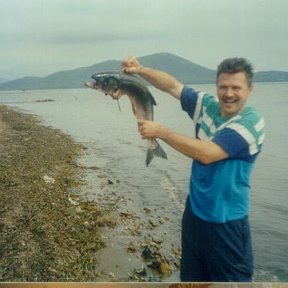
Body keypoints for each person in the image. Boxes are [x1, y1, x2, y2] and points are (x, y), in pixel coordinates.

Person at [120, 56, 265, 282]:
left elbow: (207, 153)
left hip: (227, 225)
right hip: (195, 216)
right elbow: (172, 86)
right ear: (216, 87)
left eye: (236, 88)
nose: (229, 94)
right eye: (223, 87)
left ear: (249, 90)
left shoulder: (251, 122)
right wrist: (139, 71)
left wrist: (162, 132)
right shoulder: (208, 106)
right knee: (192, 280)